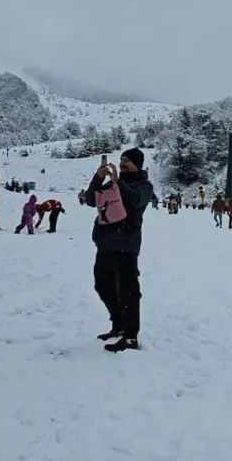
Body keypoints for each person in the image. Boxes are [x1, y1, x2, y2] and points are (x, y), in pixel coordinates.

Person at [85, 148, 154, 352]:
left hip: (126, 244)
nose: (122, 163)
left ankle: (131, 336)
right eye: (121, 159)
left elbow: (135, 201)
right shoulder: (114, 183)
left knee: (128, 291)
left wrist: (118, 182)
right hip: (105, 242)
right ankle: (119, 325)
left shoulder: (144, 186)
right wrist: (97, 179)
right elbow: (91, 200)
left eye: (127, 161)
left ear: (137, 164)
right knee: (102, 285)